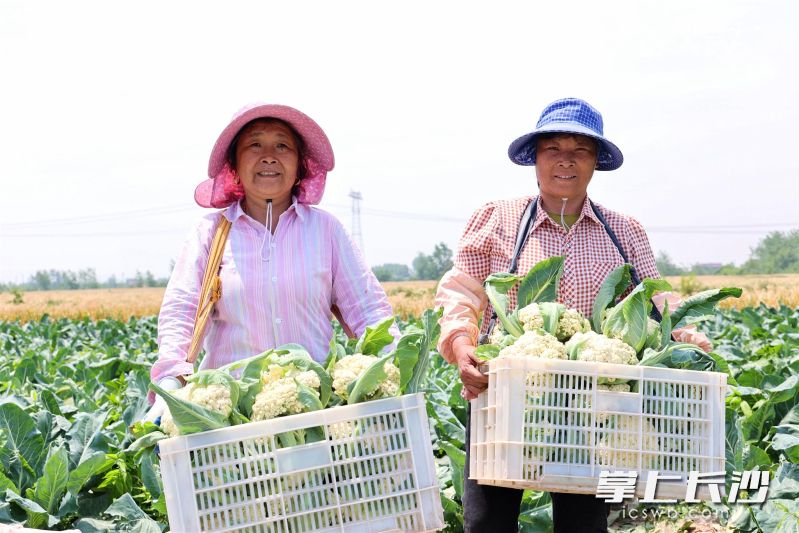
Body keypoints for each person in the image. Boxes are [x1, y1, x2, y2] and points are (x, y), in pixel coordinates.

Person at [434, 98, 711, 532]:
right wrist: (461, 342)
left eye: (580, 150)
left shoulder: (624, 231)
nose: (566, 161)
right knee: (488, 522)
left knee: (583, 525)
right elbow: (461, 291)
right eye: (553, 149)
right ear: (536, 159)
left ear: (596, 161)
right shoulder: (497, 219)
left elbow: (659, 303)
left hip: (592, 409)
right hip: (505, 397)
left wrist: (687, 336)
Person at [148, 103, 395, 404]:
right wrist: (170, 382)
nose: (269, 156)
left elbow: (367, 309)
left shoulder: (326, 230)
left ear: (300, 165)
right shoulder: (211, 232)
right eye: (254, 144)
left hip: (315, 408)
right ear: (234, 165)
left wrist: (391, 362)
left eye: (282, 145)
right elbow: (181, 311)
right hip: (231, 415)